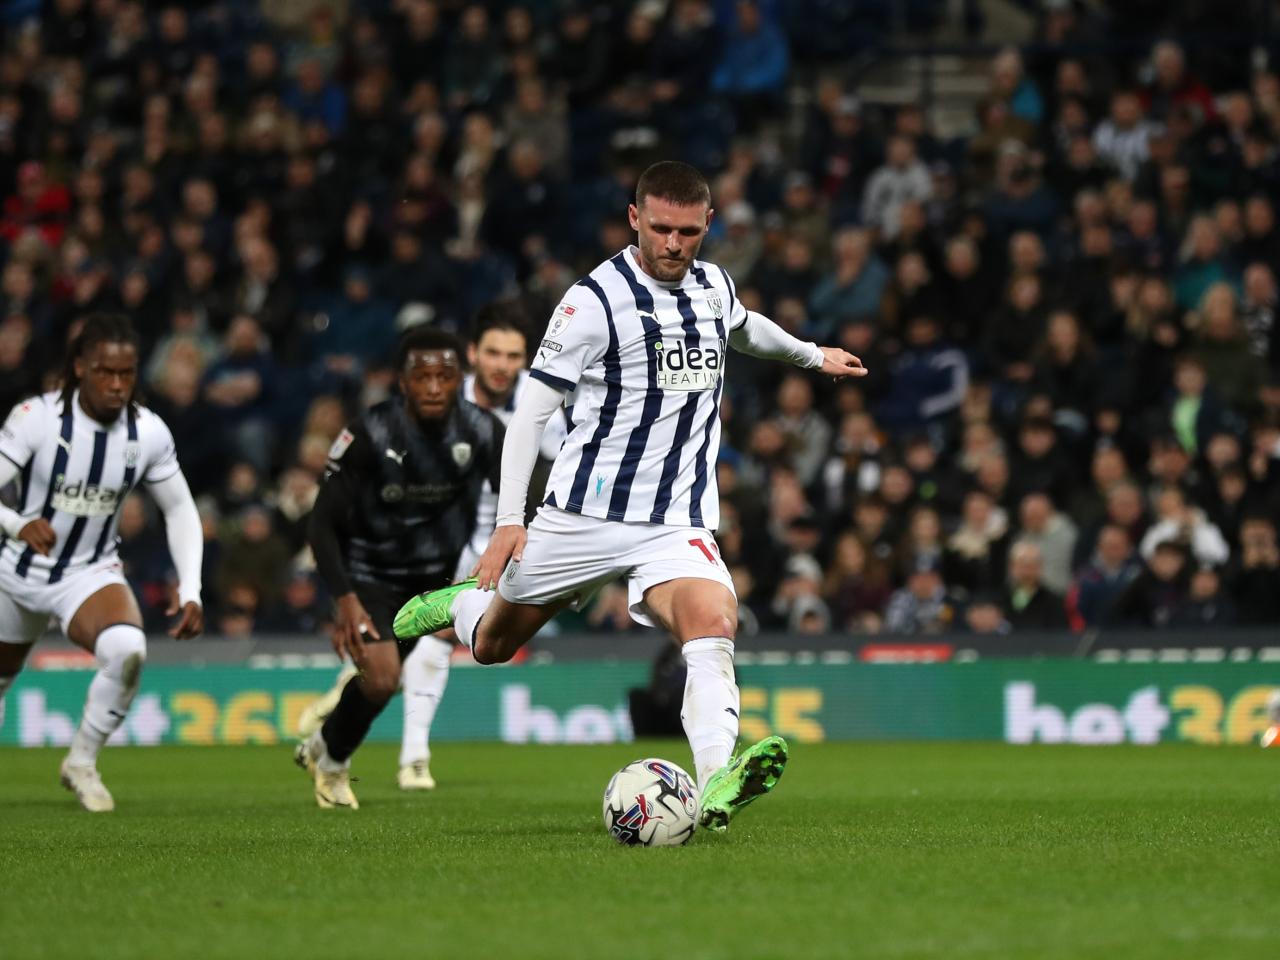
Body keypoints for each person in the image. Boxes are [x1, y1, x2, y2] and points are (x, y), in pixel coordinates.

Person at [392, 161, 865, 832]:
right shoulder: (593, 301)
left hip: (675, 519)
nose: (674, 245)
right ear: (635, 219)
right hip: (582, 514)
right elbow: (529, 411)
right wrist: (509, 520)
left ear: (708, 227)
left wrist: (813, 356)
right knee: (494, 645)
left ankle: (716, 784)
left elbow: (745, 325)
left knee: (713, 623)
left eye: (689, 232)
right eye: (663, 229)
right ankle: (463, 606)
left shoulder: (712, 285)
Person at [297, 302, 567, 791]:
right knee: (381, 679)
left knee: (389, 673)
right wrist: (345, 598)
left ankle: (332, 742)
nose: (435, 388)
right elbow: (321, 524)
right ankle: (336, 763)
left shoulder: (485, 430)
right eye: (423, 379)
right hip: (373, 576)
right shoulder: (366, 433)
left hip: (440, 576)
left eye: (445, 378)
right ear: (401, 382)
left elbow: (523, 497)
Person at [0, 314, 203, 811]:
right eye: (104, 372)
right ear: (80, 369)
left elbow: (179, 508)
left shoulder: (149, 432)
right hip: (15, 571)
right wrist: (16, 523)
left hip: (87, 574)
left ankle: (82, 763)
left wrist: (192, 587)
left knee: (128, 648)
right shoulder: (37, 418)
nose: (116, 384)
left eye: (126, 373)